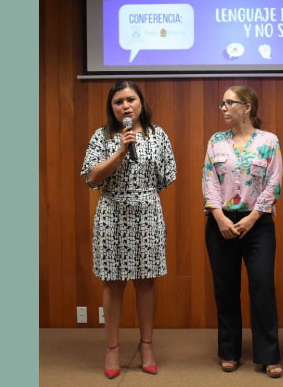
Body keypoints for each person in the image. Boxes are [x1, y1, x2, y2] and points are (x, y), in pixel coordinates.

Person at [80, 80, 178, 379]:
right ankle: (112, 349)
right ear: (111, 107)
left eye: (130, 99)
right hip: (112, 212)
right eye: (118, 101)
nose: (125, 106)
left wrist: (142, 195)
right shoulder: (102, 136)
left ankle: (147, 346)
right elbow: (92, 178)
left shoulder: (158, 135)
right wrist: (121, 152)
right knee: (113, 282)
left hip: (148, 211)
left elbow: (166, 176)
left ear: (141, 103)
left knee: (146, 281)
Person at [201, 85, 283, 378]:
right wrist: (219, 218)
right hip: (221, 224)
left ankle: (268, 355)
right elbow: (209, 181)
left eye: (229, 103)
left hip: (258, 224)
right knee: (225, 289)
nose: (223, 108)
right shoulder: (216, 141)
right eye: (222, 103)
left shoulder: (268, 141)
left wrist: (252, 218)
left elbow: (274, 183)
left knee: (262, 288)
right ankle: (229, 351)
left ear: (247, 107)